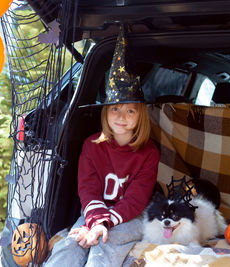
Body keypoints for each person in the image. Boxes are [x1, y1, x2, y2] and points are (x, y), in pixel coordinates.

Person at [44, 24, 160, 267]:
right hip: (94, 213)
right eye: (115, 109)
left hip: (132, 217)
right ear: (105, 113)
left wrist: (102, 225)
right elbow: (88, 189)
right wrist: (95, 222)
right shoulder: (92, 146)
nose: (122, 116)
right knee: (70, 245)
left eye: (130, 110)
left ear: (140, 116)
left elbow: (136, 201)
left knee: (102, 248)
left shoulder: (148, 153)